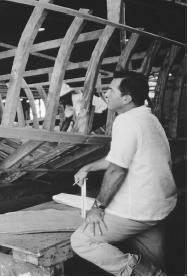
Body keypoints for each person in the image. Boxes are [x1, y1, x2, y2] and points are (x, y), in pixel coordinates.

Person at [70, 71, 178, 275]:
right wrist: (88, 167)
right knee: (155, 259)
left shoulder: (126, 121)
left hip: (138, 210)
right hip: (161, 205)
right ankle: (155, 272)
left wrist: (97, 207)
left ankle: (142, 272)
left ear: (126, 98)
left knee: (82, 240)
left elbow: (117, 170)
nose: (106, 94)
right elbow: (119, 158)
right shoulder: (148, 118)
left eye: (111, 90)